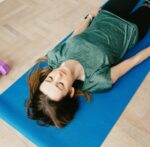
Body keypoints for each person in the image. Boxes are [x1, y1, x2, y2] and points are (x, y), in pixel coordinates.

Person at [25, 0, 150, 128]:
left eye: (50, 79)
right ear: (71, 92)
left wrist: (89, 17)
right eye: (60, 85)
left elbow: (76, 35)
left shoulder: (55, 56)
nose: (57, 76)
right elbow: (133, 61)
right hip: (131, 29)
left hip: (106, 16)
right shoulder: (97, 80)